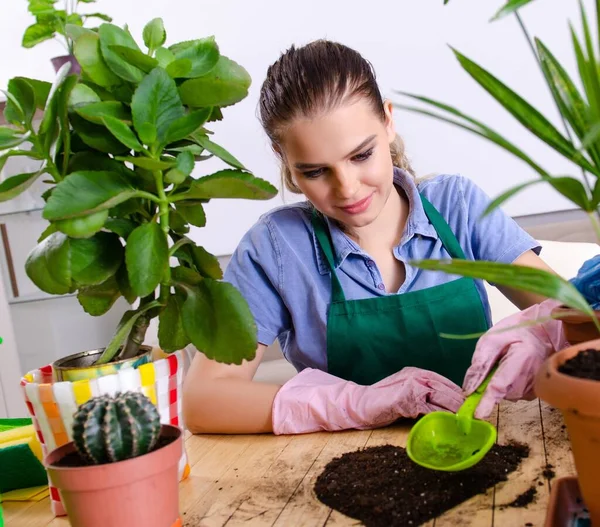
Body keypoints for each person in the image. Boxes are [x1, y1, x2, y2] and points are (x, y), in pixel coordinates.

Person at [182, 39, 556, 435]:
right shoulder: (276, 248)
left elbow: (576, 320)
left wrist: (542, 337)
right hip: (342, 466)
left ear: (388, 122)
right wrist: (359, 403)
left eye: (361, 155)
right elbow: (205, 400)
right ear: (283, 158)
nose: (347, 189)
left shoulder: (457, 206)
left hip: (482, 442)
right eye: (315, 172)